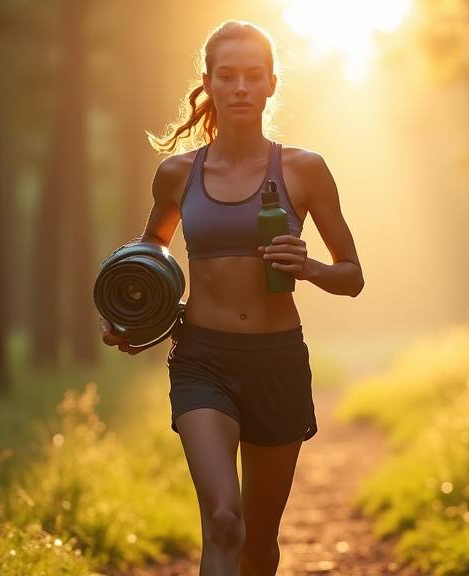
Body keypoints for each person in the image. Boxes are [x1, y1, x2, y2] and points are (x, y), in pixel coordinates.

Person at [99, 20, 364, 576]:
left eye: (252, 76)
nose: (240, 87)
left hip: (277, 362)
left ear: (270, 84)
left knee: (259, 542)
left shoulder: (304, 170)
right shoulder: (176, 174)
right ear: (209, 84)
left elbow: (352, 275)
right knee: (223, 520)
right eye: (228, 76)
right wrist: (133, 317)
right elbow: (151, 252)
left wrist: (309, 266)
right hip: (203, 361)